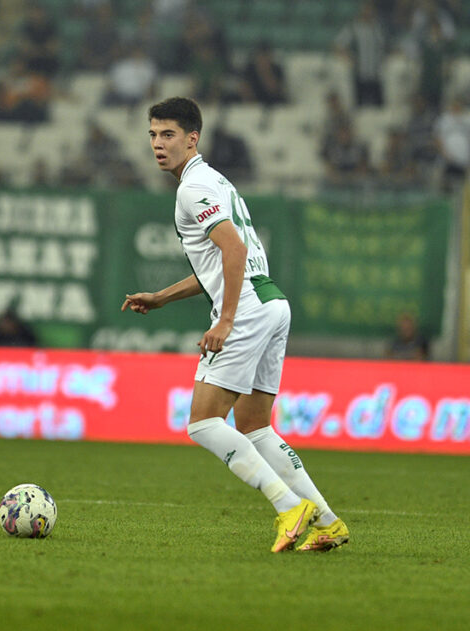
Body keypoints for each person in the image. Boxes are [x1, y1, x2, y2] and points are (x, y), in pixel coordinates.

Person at [122, 97, 348, 553]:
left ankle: (288, 506)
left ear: (192, 138)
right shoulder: (213, 181)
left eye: (168, 135)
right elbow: (218, 263)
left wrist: (225, 320)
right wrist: (162, 297)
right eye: (152, 135)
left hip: (245, 308)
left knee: (203, 423)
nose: (158, 144)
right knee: (254, 426)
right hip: (271, 303)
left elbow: (235, 251)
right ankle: (327, 522)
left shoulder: (192, 188)